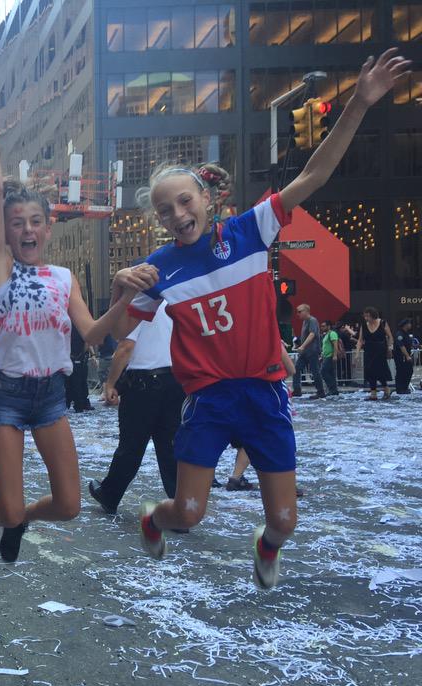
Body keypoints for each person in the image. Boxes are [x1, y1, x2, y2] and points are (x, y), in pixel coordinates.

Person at [112, 49, 409, 589]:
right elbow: (111, 335)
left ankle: (265, 545)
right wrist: (118, 291)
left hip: (266, 392)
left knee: (284, 521)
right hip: (207, 399)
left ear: (207, 197)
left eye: (185, 202)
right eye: (165, 211)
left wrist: (360, 103)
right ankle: (154, 517)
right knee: (190, 511)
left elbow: (315, 173)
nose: (178, 216)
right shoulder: (159, 268)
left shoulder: (252, 229)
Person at [0, 107, 157, 566]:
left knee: (70, 505)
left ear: (48, 228)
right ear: (8, 234)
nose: (27, 229)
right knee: (8, 504)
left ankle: (19, 519)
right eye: (17, 223)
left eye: (35, 221)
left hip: (50, 397)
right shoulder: (1, 268)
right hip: (7, 396)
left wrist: (120, 295)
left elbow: (93, 334)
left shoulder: (63, 277)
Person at [89, 303, 182, 516]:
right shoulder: (173, 302)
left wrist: (111, 383)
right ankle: (180, 505)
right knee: (170, 447)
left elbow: (125, 348)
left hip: (143, 383)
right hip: (174, 380)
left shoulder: (140, 305)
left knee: (131, 445)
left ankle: (110, 494)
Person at [357, 306, 394, 400]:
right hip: (369, 350)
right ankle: (373, 393)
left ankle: (386, 389)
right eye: (365, 316)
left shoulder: (382, 322)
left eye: (368, 316)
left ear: (373, 315)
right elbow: (360, 340)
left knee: (380, 371)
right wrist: (357, 353)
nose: (366, 318)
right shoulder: (364, 325)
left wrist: (390, 348)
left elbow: (390, 336)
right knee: (370, 371)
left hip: (380, 350)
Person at [292, 304, 326, 399]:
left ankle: (320, 392)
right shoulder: (305, 322)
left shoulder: (312, 320)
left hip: (312, 351)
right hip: (306, 351)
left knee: (315, 371)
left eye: (299, 311)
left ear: (306, 311)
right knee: (297, 368)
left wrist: (302, 346)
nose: (298, 314)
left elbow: (312, 334)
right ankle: (297, 390)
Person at [319, 320, 342, 397]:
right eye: (321, 326)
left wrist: (335, 355)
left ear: (328, 326)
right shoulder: (326, 335)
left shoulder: (332, 334)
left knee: (323, 372)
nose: (322, 327)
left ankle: (332, 389)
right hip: (326, 356)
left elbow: (335, 345)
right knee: (331, 373)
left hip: (330, 356)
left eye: (323, 326)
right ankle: (334, 390)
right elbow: (325, 347)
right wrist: (322, 356)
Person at [394, 318, 414, 394]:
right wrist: (407, 356)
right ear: (405, 325)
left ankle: (404, 387)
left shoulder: (406, 333)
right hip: (401, 356)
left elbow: (408, 344)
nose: (410, 325)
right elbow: (401, 346)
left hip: (406, 355)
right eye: (409, 323)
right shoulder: (400, 334)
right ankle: (400, 389)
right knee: (401, 371)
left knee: (409, 371)